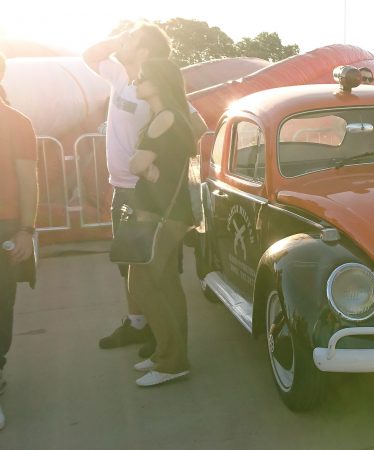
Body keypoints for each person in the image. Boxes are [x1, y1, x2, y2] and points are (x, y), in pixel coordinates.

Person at [83, 22, 206, 359]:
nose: (124, 41)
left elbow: (195, 126)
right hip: (121, 188)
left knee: (159, 269)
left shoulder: (159, 88)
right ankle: (139, 323)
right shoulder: (121, 77)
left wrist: (159, 161)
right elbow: (89, 54)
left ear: (145, 50)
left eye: (133, 38)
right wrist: (119, 38)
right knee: (130, 265)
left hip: (149, 194)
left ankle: (162, 335)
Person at [128, 58, 195, 386]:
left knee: (142, 283)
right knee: (166, 284)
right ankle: (169, 354)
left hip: (160, 215)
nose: (136, 82)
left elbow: (135, 164)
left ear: (157, 82)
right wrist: (150, 170)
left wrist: (145, 168)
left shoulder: (165, 117)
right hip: (170, 213)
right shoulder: (173, 116)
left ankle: (171, 362)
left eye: (142, 77)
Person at [0, 51, 39, 430]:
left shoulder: (16, 123)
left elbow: (28, 180)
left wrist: (26, 229)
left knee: (0, 305)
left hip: (5, 226)